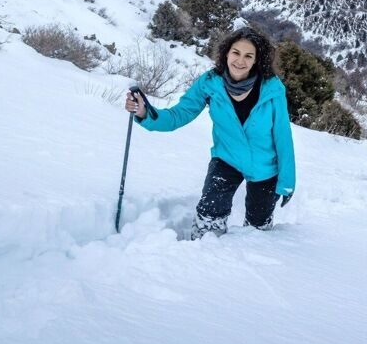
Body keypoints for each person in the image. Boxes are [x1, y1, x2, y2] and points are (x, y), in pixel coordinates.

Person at [125, 26, 295, 238]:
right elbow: (180, 114)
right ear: (226, 53)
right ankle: (201, 254)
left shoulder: (272, 88)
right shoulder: (210, 83)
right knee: (209, 213)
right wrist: (144, 113)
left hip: (265, 167)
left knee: (257, 228)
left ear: (256, 60)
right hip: (227, 159)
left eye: (248, 56)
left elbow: (283, 136)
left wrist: (287, 181)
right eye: (236, 52)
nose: (240, 61)